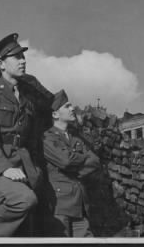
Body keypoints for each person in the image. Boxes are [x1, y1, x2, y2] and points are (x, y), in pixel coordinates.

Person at [0, 33, 50, 237]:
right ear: (1, 64)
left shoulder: (26, 98)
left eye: (23, 57)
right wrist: (4, 168)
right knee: (25, 200)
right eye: (16, 57)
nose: (23, 61)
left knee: (28, 230)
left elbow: (30, 139)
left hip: (24, 167)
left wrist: (35, 170)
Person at [43, 90, 100, 237]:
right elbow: (65, 161)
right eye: (67, 106)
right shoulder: (47, 138)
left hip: (80, 205)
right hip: (59, 205)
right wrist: (80, 159)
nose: (72, 108)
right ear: (55, 114)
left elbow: (94, 161)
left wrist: (73, 165)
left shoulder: (76, 139)